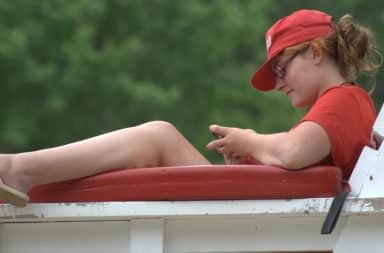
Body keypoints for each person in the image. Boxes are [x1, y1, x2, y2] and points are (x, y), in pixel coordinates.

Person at [0, 9, 381, 207]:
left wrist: (251, 141)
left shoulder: (344, 100)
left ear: (315, 52)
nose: (278, 82)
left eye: (281, 68)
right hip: (274, 223)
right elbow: (296, 159)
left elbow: (296, 152)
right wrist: (252, 158)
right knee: (155, 139)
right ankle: (26, 177)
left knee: (158, 136)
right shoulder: (344, 104)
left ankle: (19, 171)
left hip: (275, 230)